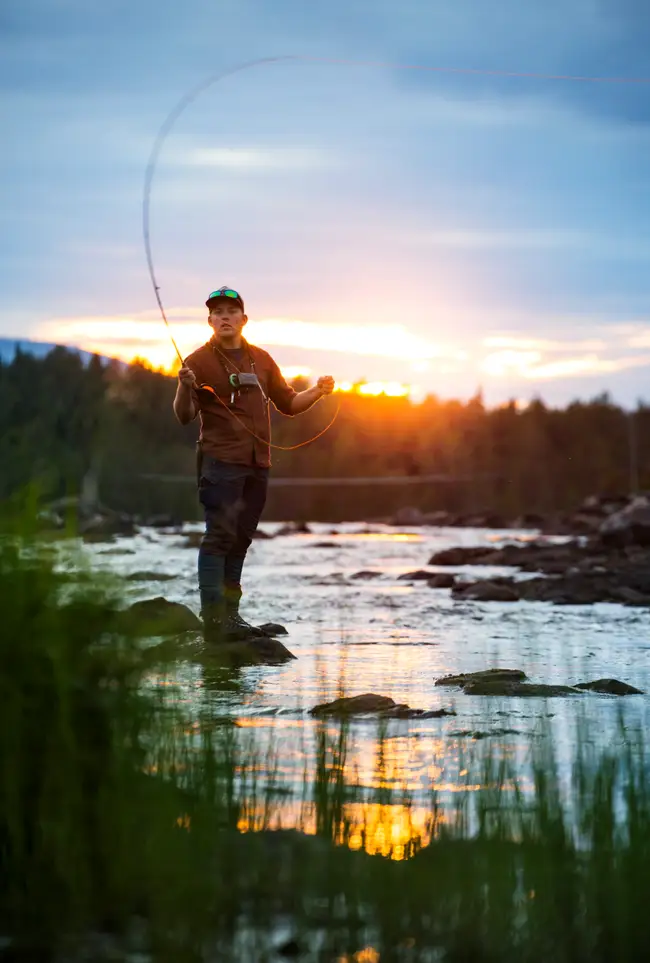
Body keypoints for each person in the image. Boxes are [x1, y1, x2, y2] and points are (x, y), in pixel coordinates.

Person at [173, 286, 335, 642]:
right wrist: (185, 386)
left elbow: (290, 403)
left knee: (241, 539)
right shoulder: (196, 362)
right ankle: (213, 618)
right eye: (218, 313)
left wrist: (318, 392)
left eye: (232, 311)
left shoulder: (262, 360)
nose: (225, 317)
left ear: (244, 320)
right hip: (220, 462)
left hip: (258, 463)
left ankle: (230, 615)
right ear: (210, 321)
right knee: (219, 536)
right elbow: (184, 415)